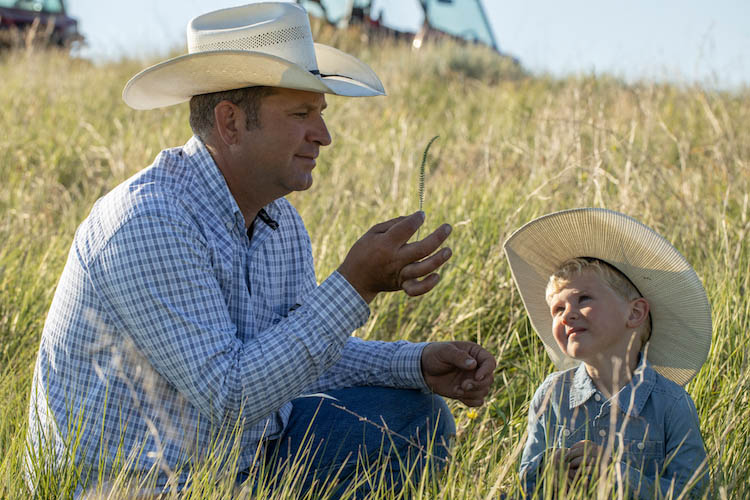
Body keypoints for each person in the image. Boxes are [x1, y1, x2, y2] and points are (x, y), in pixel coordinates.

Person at [25, 3, 496, 498]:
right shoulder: (150, 220)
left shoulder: (279, 220)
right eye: (300, 114)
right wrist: (355, 286)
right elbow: (230, 396)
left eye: (320, 114)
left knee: (415, 416)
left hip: (238, 468)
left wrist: (415, 364)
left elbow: (289, 358)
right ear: (230, 123)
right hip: (138, 486)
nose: (324, 136)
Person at [503, 208, 711, 499]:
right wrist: (547, 471)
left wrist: (617, 475)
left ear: (635, 313)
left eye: (583, 299)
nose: (567, 316)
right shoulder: (552, 394)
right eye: (557, 309)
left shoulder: (671, 404)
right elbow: (524, 483)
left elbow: (694, 493)